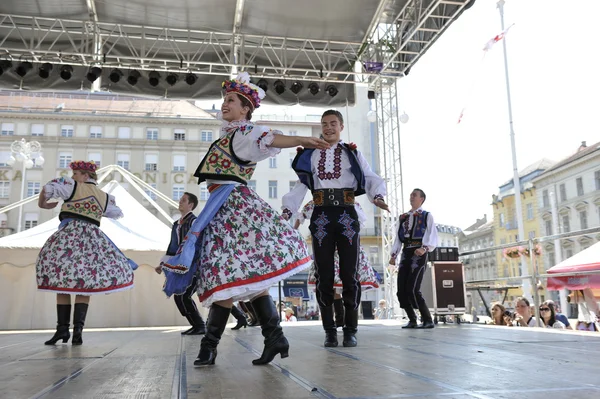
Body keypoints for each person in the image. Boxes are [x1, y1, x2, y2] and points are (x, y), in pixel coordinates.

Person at [162, 72, 329, 367]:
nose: (224, 104)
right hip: (223, 207)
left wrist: (302, 139)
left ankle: (210, 345)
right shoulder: (230, 135)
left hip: (233, 208)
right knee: (244, 278)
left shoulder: (245, 134)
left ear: (245, 109)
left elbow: (271, 138)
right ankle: (274, 337)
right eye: (224, 99)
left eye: (231, 101)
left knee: (227, 275)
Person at [282, 110, 388, 348]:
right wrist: (288, 209)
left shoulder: (352, 152)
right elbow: (302, 185)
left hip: (346, 214)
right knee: (324, 275)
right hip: (320, 216)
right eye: (324, 124)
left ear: (341, 126)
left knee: (350, 274)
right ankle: (330, 330)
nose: (328, 128)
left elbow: (370, 177)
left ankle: (350, 330)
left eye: (332, 124)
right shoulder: (310, 153)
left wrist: (378, 196)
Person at [37, 160, 135, 345]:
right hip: (92, 240)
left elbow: (47, 188)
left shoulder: (72, 185)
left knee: (61, 279)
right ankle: (77, 333)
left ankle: (62, 330)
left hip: (69, 237)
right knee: (85, 282)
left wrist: (43, 204)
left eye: (76, 173)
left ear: (85, 175)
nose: (73, 176)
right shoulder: (105, 196)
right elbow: (116, 213)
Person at [294, 200, 380, 330]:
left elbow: (360, 223)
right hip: (328, 248)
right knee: (328, 283)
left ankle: (348, 325)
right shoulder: (317, 201)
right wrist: (293, 232)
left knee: (349, 281)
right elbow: (301, 216)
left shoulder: (351, 202)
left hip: (345, 246)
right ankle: (337, 322)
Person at [155, 192, 206, 335]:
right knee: (179, 295)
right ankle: (196, 324)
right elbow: (173, 247)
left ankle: (200, 325)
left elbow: (197, 244)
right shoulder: (176, 224)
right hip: (181, 265)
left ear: (191, 205)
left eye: (184, 200)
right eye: (180, 200)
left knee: (185, 295)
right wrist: (163, 264)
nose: (180, 202)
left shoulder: (194, 222)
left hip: (193, 264)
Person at [389, 189, 438, 329]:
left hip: (419, 253)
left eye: (414, 195)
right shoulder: (403, 217)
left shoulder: (427, 215)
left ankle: (427, 319)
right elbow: (398, 238)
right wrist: (394, 255)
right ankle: (412, 319)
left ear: (422, 199)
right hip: (406, 253)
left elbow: (432, 235)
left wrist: (424, 248)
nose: (411, 197)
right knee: (401, 290)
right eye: (410, 194)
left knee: (413, 288)